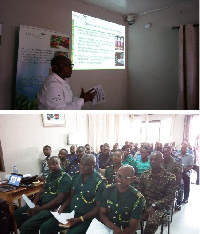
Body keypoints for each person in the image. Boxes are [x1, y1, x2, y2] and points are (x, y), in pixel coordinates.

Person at [40, 154, 106, 234]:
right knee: (45, 227)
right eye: (81, 163)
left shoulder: (99, 182)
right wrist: (62, 207)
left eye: (86, 165)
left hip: (86, 219)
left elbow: (98, 207)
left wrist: (81, 219)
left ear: (94, 165)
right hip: (71, 214)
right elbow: (71, 196)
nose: (82, 166)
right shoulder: (76, 177)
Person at [14, 156, 72, 234]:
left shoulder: (65, 178)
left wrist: (40, 209)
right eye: (49, 164)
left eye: (54, 164)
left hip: (52, 209)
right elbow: (41, 191)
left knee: (26, 226)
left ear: (60, 164)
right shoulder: (50, 176)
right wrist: (33, 205)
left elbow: (59, 199)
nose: (51, 166)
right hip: (41, 204)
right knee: (18, 213)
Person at [138, 151, 176, 234]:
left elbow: (170, 197)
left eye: (155, 159)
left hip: (161, 207)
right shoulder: (144, 175)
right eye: (151, 159)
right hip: (145, 204)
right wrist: (142, 205)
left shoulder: (169, 177)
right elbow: (139, 192)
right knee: (126, 214)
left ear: (162, 160)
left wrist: (154, 205)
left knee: (151, 222)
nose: (153, 161)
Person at [100, 165, 145, 233]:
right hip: (108, 229)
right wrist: (115, 229)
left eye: (124, 177)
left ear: (132, 179)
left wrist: (120, 232)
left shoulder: (138, 198)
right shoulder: (108, 190)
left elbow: (133, 227)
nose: (119, 179)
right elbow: (102, 214)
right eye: (118, 175)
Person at [162, 146, 183, 210]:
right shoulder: (160, 161)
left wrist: (175, 183)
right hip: (160, 181)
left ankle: (179, 203)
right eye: (164, 152)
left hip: (172, 182)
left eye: (167, 152)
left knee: (181, 184)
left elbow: (178, 176)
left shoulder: (176, 162)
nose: (166, 153)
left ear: (171, 152)